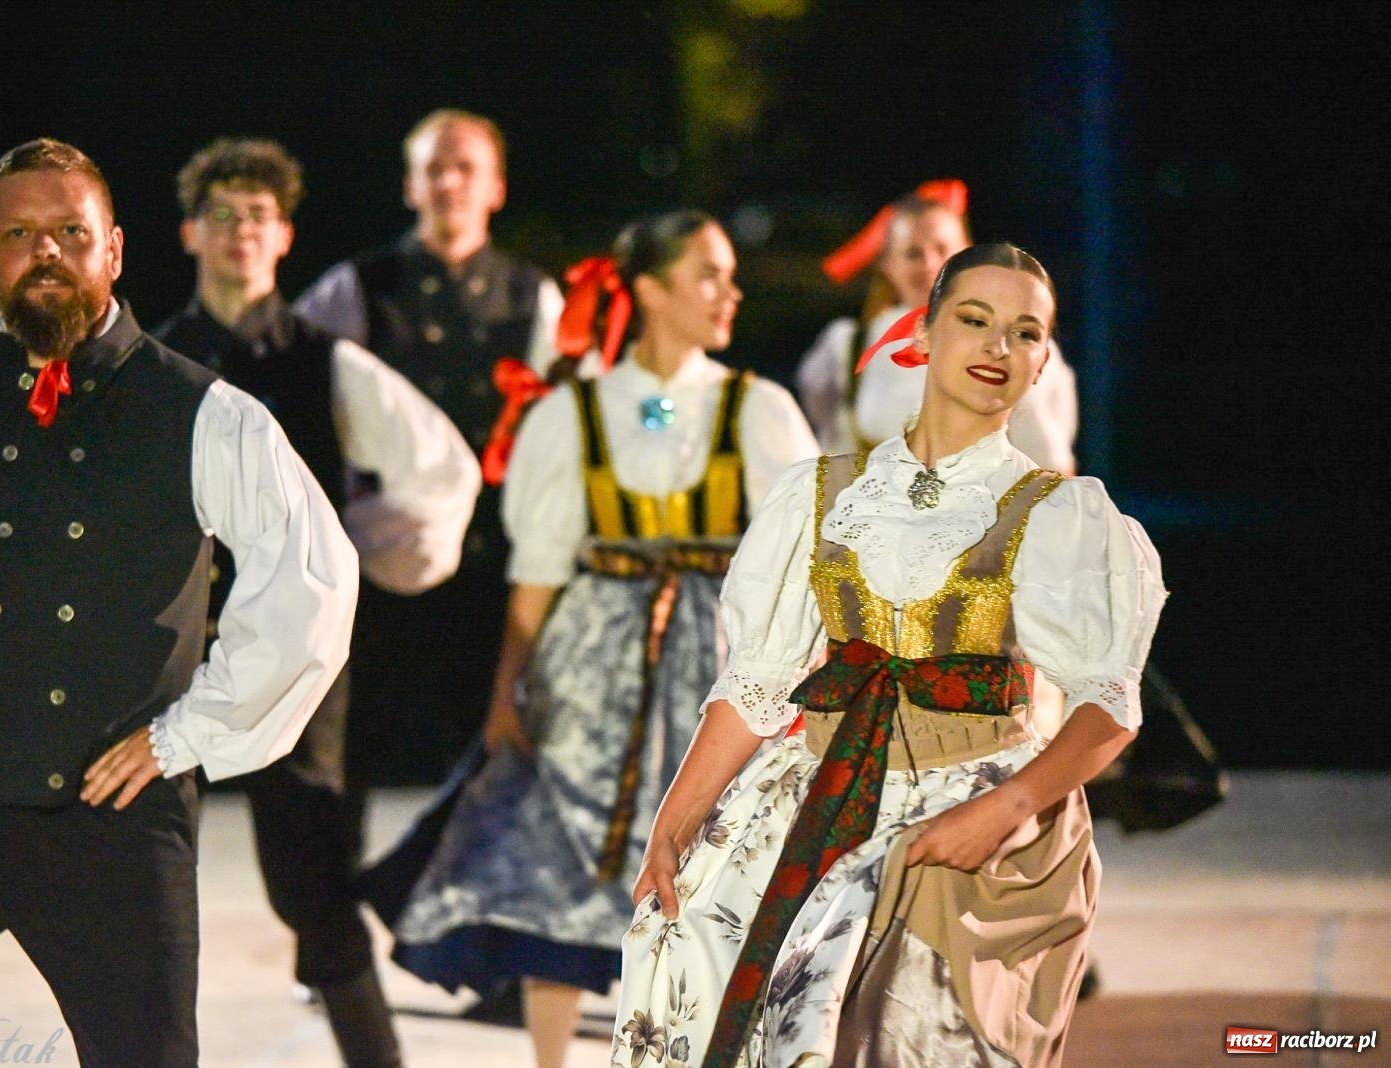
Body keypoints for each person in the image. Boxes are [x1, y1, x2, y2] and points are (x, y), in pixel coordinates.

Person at [0, 139, 358, 1067]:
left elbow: (312, 576)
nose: (45, 252)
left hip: (116, 832)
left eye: (69, 232)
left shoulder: (204, 412)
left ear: (115, 251)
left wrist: (186, 738)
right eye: (19, 234)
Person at [613, 243, 1165, 1067]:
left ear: (1044, 359)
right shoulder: (821, 493)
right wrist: (675, 819)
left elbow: (1110, 705)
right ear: (923, 334)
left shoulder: (1059, 514)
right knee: (701, 972)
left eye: (1025, 333)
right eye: (974, 321)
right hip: (818, 786)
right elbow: (757, 683)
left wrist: (1009, 807)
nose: (997, 348)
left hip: (971, 806)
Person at [387, 210, 818, 1068]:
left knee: (713, 861)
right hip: (591, 669)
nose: (729, 291)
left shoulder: (756, 408)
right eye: (708, 273)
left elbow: (803, 554)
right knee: (565, 860)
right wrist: (507, 688)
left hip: (713, 660)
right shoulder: (574, 412)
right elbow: (538, 570)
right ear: (652, 289)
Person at [153, 137, 481, 1068]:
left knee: (309, 880)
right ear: (190, 233)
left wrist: (348, 553)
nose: (239, 233)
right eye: (222, 216)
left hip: (296, 659)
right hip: (167, 653)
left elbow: (441, 472)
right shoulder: (152, 360)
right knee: (144, 868)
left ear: (283, 235)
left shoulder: (325, 362)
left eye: (256, 217)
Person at [293, 108, 568, 789]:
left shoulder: (535, 297)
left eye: (465, 168)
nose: (449, 183)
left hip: (492, 569)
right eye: (433, 169)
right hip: (375, 569)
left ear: (496, 188)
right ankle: (338, 896)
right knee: (350, 757)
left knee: (487, 759)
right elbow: (292, 394)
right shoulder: (356, 288)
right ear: (410, 187)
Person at [795, 182, 1078, 474]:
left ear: (966, 254)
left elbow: (1050, 465)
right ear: (887, 263)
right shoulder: (848, 344)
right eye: (913, 253)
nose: (929, 264)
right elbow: (831, 445)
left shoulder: (1019, 346)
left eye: (942, 249)